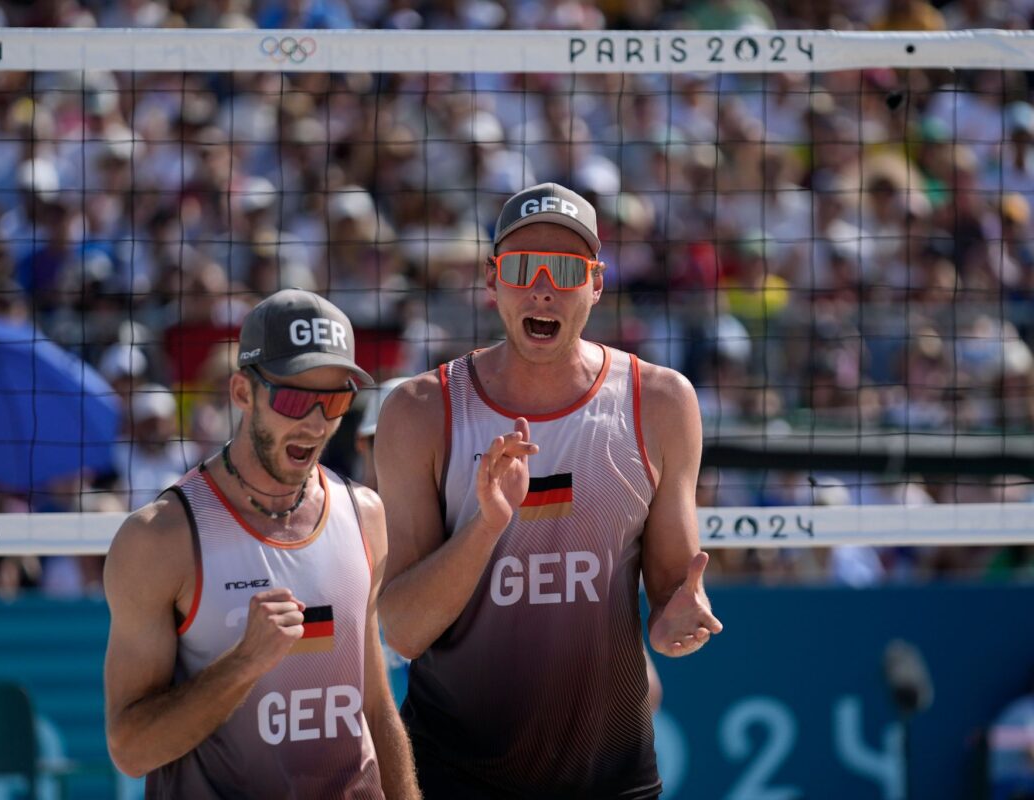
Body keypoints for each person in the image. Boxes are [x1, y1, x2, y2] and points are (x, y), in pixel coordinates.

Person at [375, 183, 722, 798]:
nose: (542, 286)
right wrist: (487, 525)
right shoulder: (421, 411)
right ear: (492, 281)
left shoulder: (661, 402)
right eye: (521, 267)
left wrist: (677, 622)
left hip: (610, 775)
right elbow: (402, 631)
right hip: (456, 774)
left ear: (596, 283)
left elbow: (671, 591)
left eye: (565, 270)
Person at [103, 289, 419, 799]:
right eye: (294, 398)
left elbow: (375, 707)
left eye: (336, 399)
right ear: (242, 393)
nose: (316, 422)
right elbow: (132, 750)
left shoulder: (365, 514)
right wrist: (245, 662)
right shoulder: (159, 539)